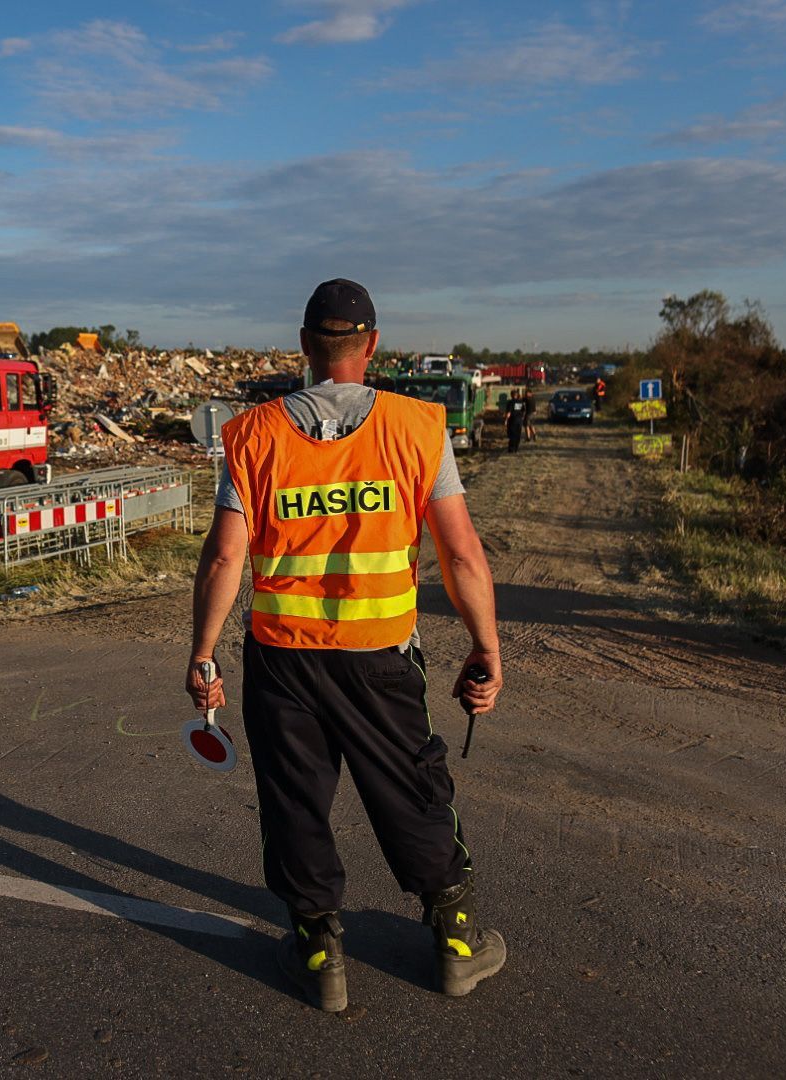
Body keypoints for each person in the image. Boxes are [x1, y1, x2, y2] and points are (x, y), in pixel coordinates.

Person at [187, 279, 506, 1013]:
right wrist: (485, 648)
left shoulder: (253, 434)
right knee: (413, 789)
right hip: (382, 657)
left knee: (296, 801)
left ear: (303, 347)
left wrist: (203, 655)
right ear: (372, 346)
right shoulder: (419, 428)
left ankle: (318, 952)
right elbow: (462, 557)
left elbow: (224, 560)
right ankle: (455, 942)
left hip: (282, 659)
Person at [505, 389, 525, 453]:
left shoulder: (510, 402)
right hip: (519, 421)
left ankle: (511, 449)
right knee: (518, 435)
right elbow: (523, 411)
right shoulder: (521, 402)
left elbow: (509, 413)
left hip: (512, 420)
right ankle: (516, 448)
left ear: (511, 395)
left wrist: (506, 420)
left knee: (512, 435)